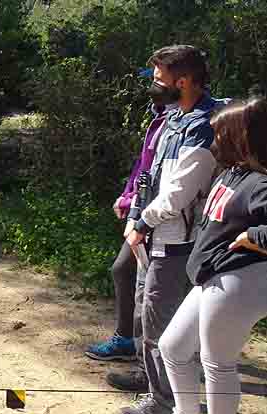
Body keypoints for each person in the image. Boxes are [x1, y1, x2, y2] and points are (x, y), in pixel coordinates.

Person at [139, 98, 267, 414]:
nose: (214, 141)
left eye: (220, 134)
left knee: (217, 362)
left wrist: (255, 238)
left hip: (238, 284)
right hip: (212, 281)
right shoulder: (231, 174)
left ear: (241, 137)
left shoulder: (263, 183)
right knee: (173, 346)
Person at [118, 45, 223, 414]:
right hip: (152, 234)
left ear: (183, 81)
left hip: (176, 240)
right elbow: (150, 175)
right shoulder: (173, 118)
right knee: (144, 312)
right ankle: (153, 382)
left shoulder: (202, 126)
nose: (153, 85)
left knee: (160, 319)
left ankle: (166, 400)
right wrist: (135, 214)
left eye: (159, 79)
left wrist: (143, 222)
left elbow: (178, 192)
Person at [86, 100, 169, 393]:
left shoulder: (187, 121)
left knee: (155, 296)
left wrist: (142, 214)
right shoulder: (158, 117)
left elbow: (173, 182)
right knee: (124, 272)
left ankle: (158, 368)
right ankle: (128, 343)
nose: (153, 87)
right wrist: (130, 196)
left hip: (166, 221)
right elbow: (144, 165)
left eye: (159, 78)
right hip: (144, 214)